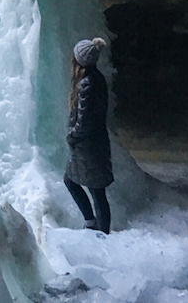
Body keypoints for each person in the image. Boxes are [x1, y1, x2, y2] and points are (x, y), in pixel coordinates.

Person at [64, 37, 113, 234]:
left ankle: (100, 230)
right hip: (93, 143)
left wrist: (72, 137)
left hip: (88, 146)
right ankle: (95, 225)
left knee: (93, 190)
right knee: (86, 186)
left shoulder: (86, 84)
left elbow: (84, 121)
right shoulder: (96, 78)